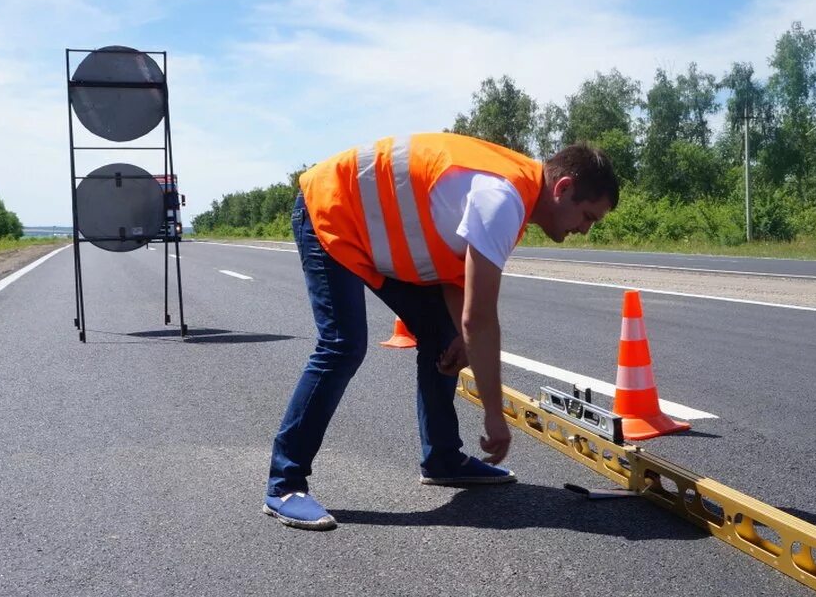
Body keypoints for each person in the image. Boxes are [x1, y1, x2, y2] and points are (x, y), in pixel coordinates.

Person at [265, 132, 618, 530]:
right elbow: (480, 320)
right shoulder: (503, 198)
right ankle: (285, 484)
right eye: (588, 216)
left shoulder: (513, 193)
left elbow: (453, 276)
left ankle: (442, 458)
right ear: (564, 188)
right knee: (343, 345)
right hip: (329, 211)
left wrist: (461, 338)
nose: (585, 229)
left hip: (373, 232)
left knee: (441, 337)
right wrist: (493, 417)